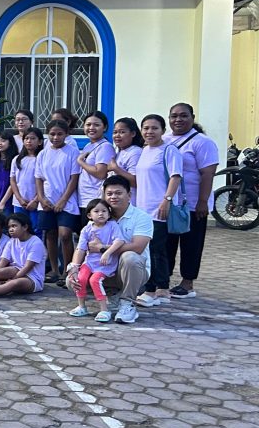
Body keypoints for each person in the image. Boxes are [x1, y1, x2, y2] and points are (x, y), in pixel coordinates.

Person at [65, 175, 152, 324]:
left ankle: (127, 303)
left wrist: (102, 249)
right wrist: (73, 267)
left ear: (129, 195)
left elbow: (138, 247)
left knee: (130, 257)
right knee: (72, 280)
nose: (113, 197)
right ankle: (111, 295)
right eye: (109, 193)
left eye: (118, 193)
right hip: (102, 269)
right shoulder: (98, 217)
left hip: (131, 271)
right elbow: (81, 247)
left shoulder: (141, 217)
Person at [164, 103, 218, 299]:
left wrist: (202, 201)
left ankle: (187, 283)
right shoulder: (164, 139)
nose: (178, 120)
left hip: (193, 203)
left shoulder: (203, 142)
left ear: (192, 118)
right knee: (167, 243)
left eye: (183, 115)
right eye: (174, 116)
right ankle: (163, 279)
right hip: (170, 202)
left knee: (191, 244)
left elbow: (208, 173)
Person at [135, 114, 184, 307]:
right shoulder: (145, 150)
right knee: (154, 250)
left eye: (154, 128)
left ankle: (153, 290)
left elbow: (175, 177)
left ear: (163, 130)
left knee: (155, 250)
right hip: (143, 208)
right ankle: (161, 288)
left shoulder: (169, 150)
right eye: (146, 128)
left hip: (159, 208)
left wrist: (167, 200)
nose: (149, 132)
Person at [35, 119, 81, 284]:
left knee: (65, 234)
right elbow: (38, 178)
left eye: (59, 134)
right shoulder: (43, 154)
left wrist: (63, 200)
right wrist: (41, 198)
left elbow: (74, 178)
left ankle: (67, 271)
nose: (55, 137)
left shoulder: (72, 152)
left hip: (67, 200)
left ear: (66, 134)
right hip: (47, 199)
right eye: (52, 134)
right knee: (50, 234)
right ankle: (54, 269)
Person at [68, 199, 125, 322]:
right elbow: (81, 248)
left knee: (95, 280)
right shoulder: (86, 229)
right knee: (80, 279)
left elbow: (119, 241)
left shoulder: (112, 225)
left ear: (109, 214)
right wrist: (74, 266)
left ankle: (104, 310)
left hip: (105, 264)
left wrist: (107, 252)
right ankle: (82, 306)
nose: (101, 214)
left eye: (104, 211)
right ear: (89, 215)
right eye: (96, 211)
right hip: (89, 263)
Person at [76, 111, 117, 223]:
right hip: (83, 199)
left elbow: (100, 173)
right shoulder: (88, 145)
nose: (91, 128)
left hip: (95, 201)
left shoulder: (105, 147)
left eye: (96, 125)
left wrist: (81, 162)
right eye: (88, 124)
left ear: (105, 127)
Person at [10, 127, 42, 231]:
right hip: (19, 202)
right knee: (19, 229)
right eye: (26, 138)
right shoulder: (17, 159)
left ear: (40, 141)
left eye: (33, 138)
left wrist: (35, 200)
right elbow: (13, 180)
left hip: (36, 203)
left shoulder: (41, 159)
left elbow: (44, 182)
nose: (29, 141)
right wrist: (19, 199)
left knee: (35, 229)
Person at [109, 117, 144, 205]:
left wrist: (116, 169)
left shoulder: (135, 152)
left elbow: (135, 181)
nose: (117, 135)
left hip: (129, 203)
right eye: (115, 132)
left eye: (122, 132)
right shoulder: (119, 151)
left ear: (133, 133)